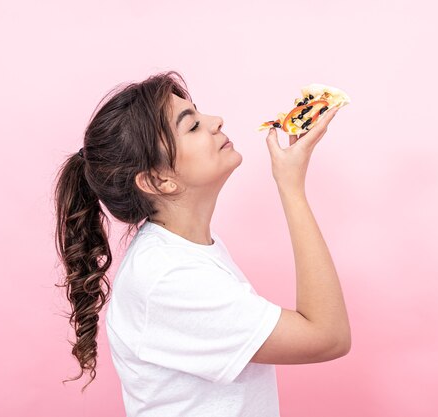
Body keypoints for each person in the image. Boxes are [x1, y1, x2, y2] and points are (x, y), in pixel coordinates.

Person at [53, 71, 351, 417]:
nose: (216, 121)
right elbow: (328, 336)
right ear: (157, 180)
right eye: (191, 125)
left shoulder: (186, 251)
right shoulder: (169, 279)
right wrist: (291, 186)